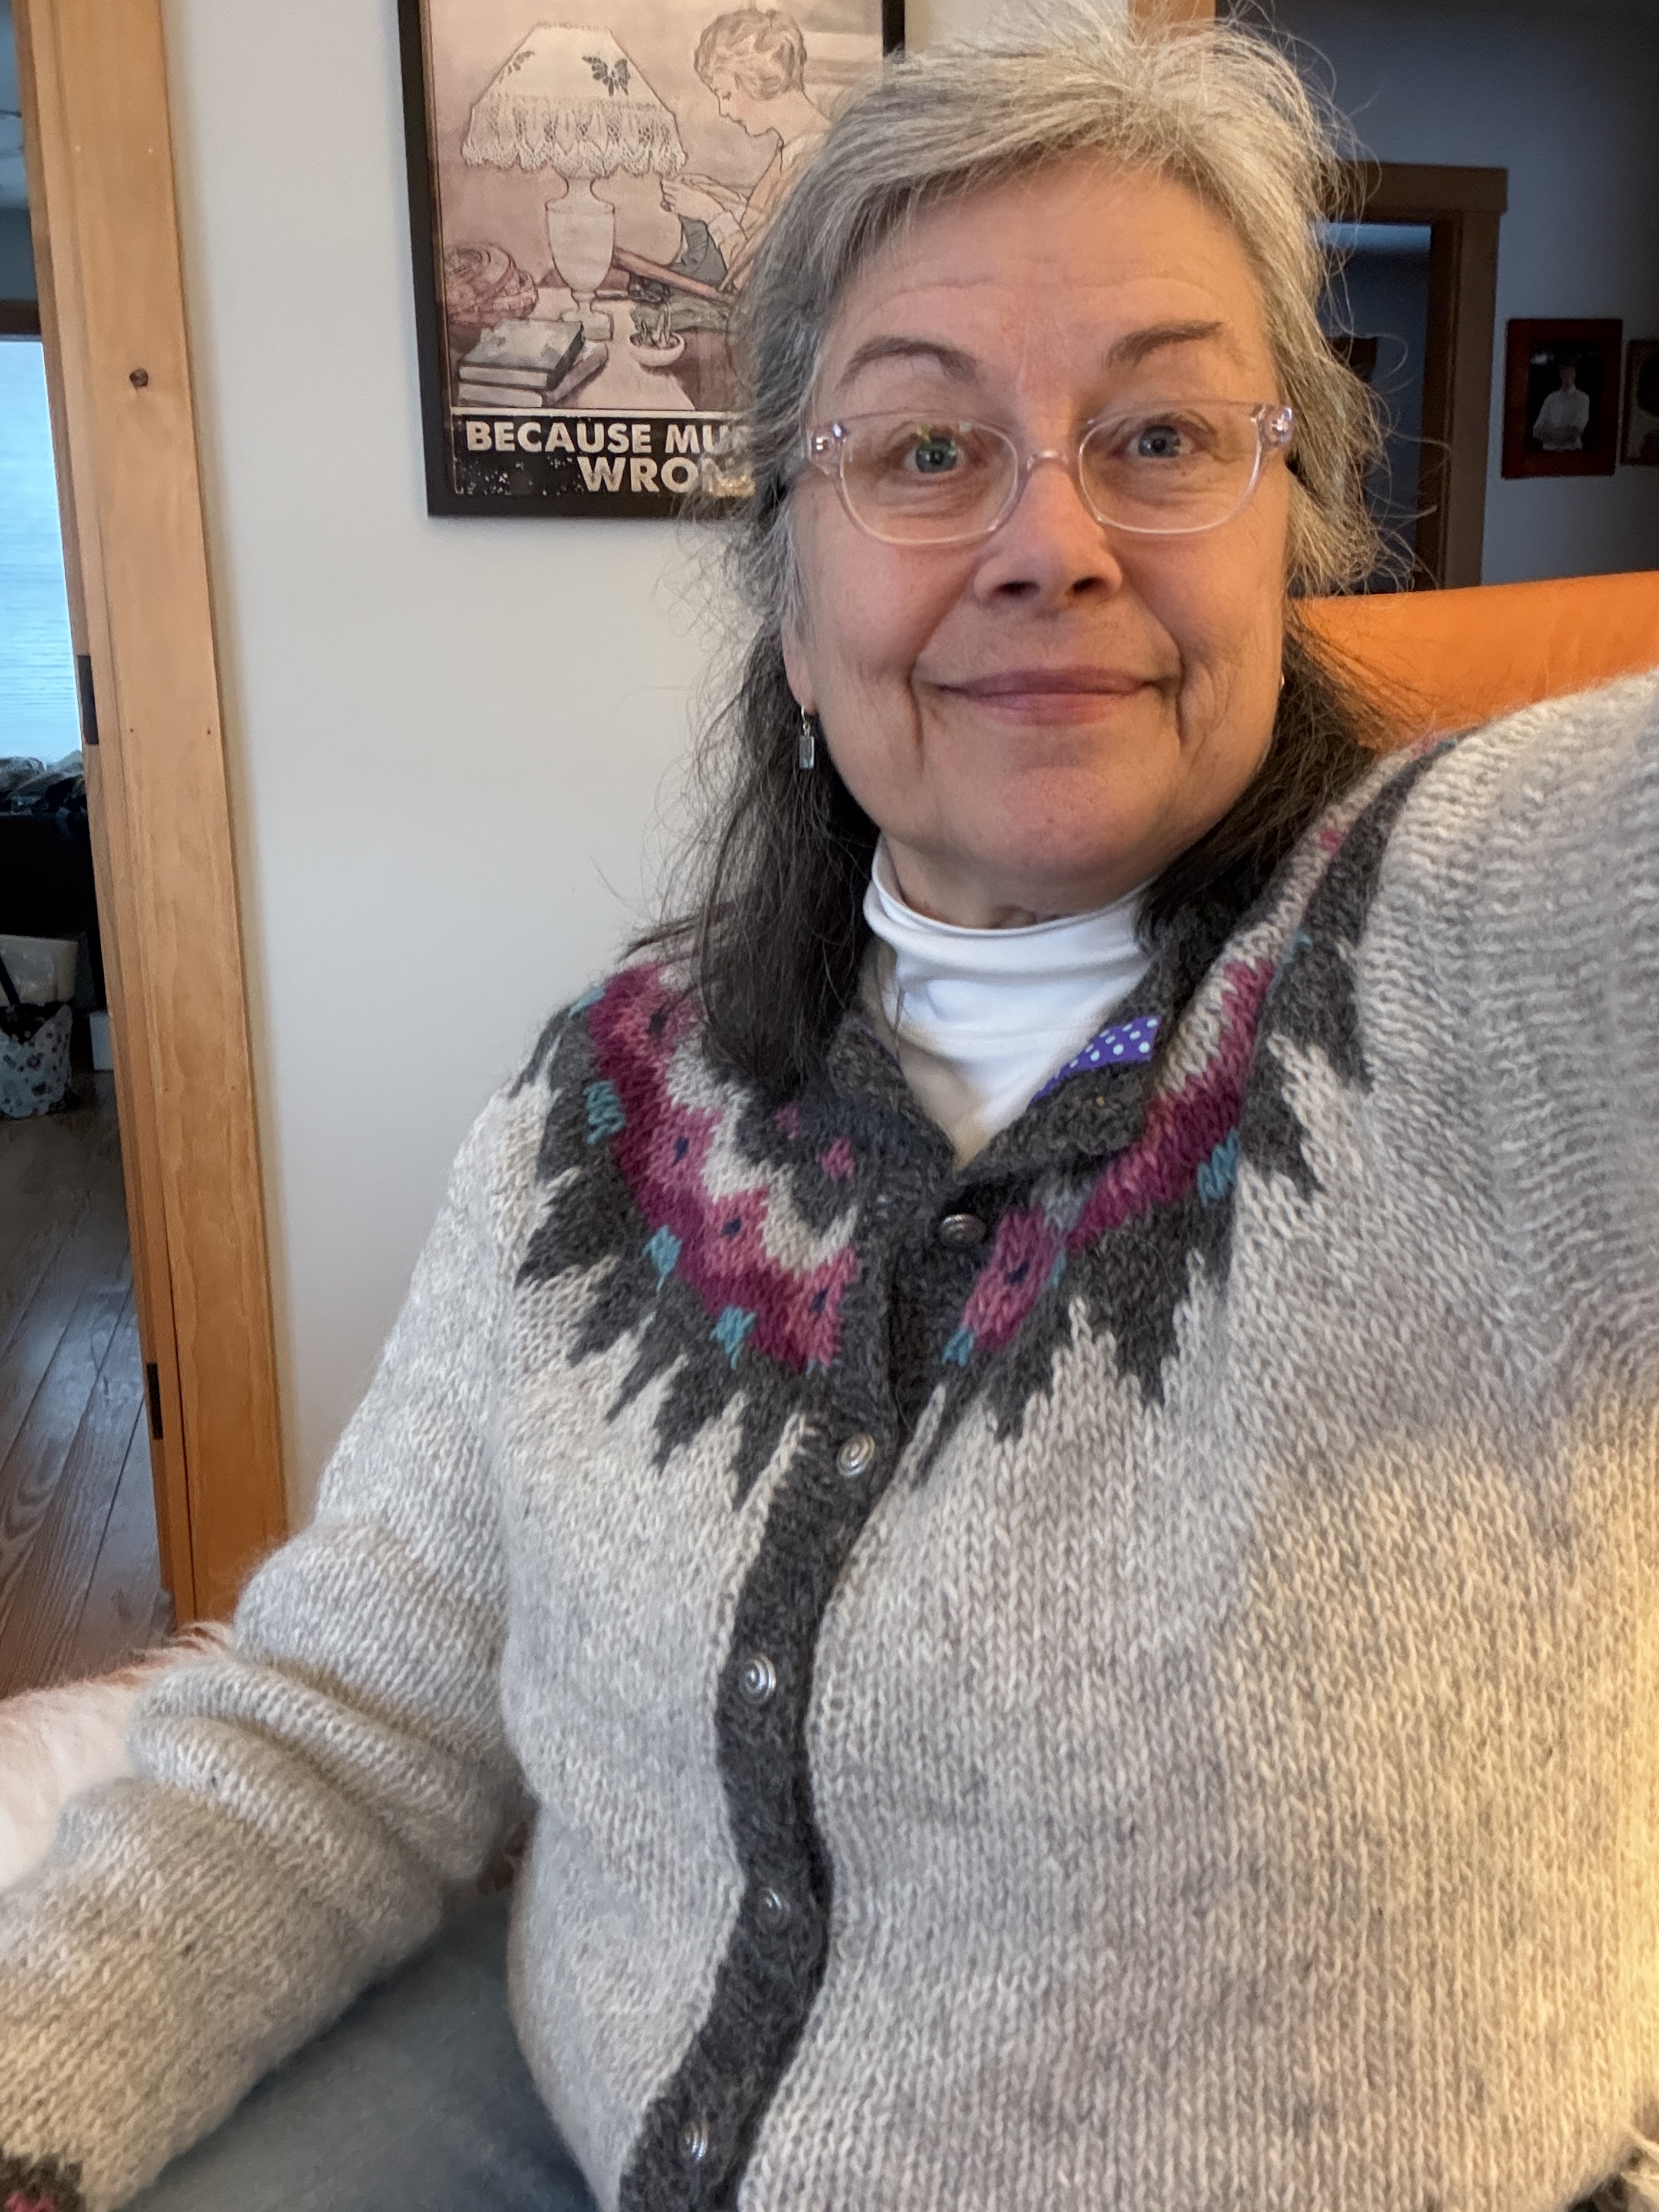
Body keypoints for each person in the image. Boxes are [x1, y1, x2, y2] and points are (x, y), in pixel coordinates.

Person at [4, 9, 1658, 2211]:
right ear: (787, 606)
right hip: (561, 2106)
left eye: (1163, 435)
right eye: (923, 449)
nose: (1049, 540)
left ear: (1294, 535)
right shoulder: (615, 1092)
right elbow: (348, 1717)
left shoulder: (1488, 977)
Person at [660, 9, 830, 288]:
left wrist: (712, 213)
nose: (723, 110)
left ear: (758, 80)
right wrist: (721, 197)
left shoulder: (818, 162)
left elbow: (754, 280)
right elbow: (765, 226)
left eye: (726, 95)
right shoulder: (792, 152)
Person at [1533, 357, 1592, 450]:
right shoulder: (1551, 398)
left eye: (1570, 371)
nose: (1566, 374)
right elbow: (1537, 431)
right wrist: (1560, 434)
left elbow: (1575, 432)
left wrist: (1550, 434)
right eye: (1564, 371)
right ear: (1560, 373)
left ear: (1574, 374)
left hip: (1570, 451)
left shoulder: (1582, 398)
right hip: (1548, 452)